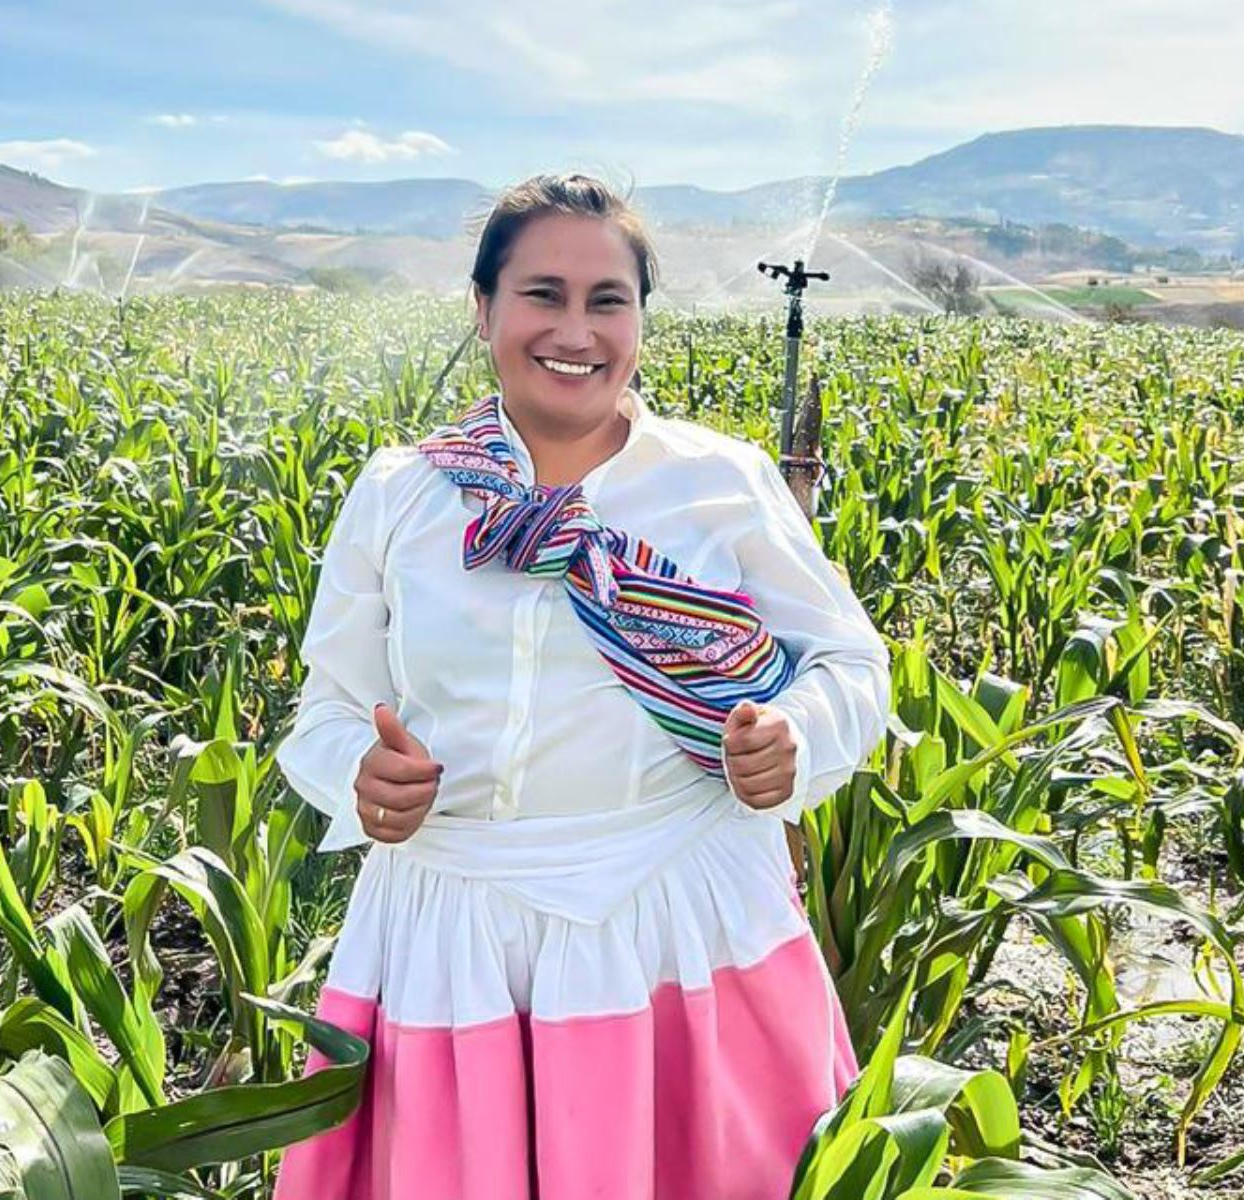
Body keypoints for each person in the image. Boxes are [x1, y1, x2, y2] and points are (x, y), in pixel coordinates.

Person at [272, 173, 890, 1200]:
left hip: (677, 917)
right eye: (541, 294)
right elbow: (328, 712)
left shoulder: (719, 480)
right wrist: (359, 777)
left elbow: (850, 664)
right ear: (484, 310)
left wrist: (793, 736)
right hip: (454, 930)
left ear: (641, 320)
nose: (577, 329)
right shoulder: (400, 495)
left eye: (609, 300)